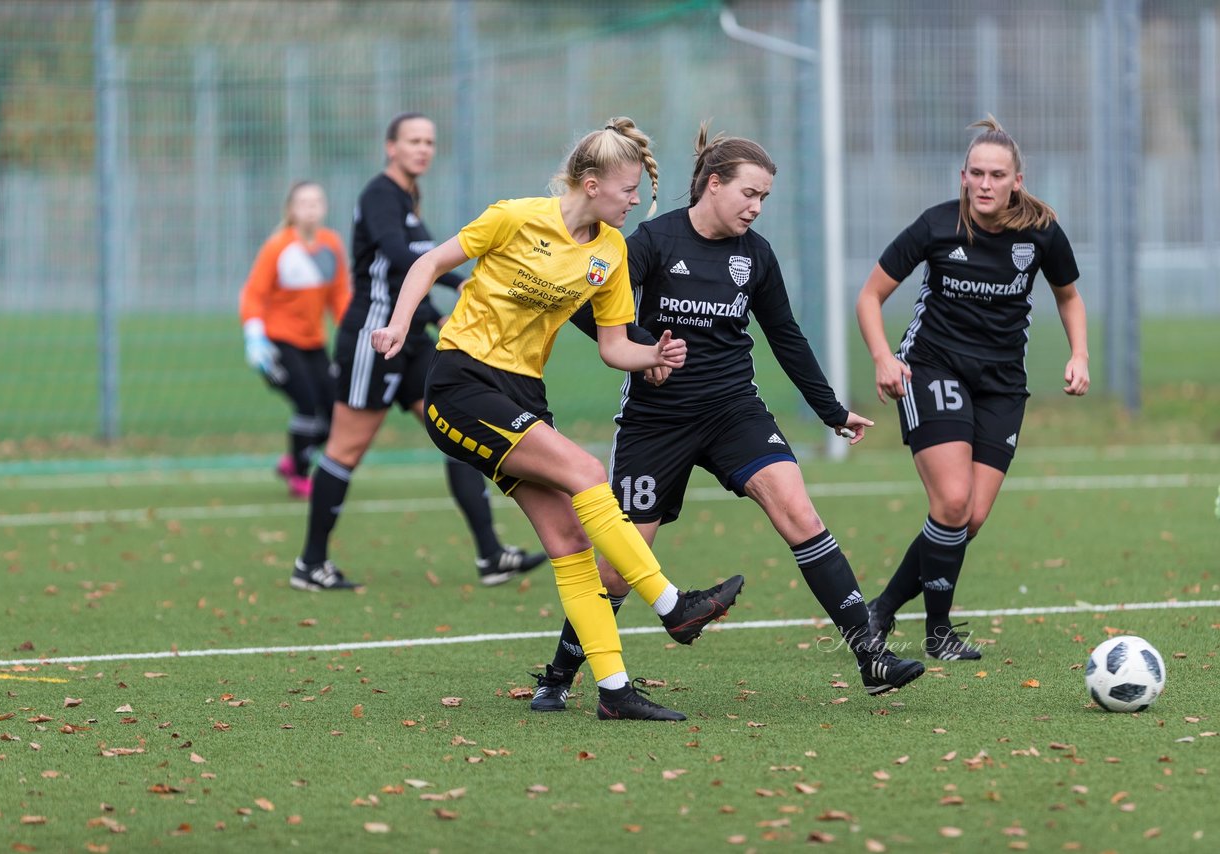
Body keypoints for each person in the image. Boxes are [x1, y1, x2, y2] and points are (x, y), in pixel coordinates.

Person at [529, 124, 926, 713]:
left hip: (733, 409)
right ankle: (560, 675)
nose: (757, 208)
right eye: (750, 194)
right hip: (655, 421)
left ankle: (870, 655)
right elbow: (594, 312)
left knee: (798, 509)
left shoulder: (755, 256)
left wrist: (831, 410)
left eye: (765, 198)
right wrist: (646, 355)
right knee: (617, 567)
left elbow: (785, 336)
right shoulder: (652, 242)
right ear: (713, 185)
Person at [371, 117, 745, 721]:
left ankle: (616, 691)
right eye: (628, 191)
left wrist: (651, 354)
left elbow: (612, 346)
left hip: (523, 394)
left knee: (570, 542)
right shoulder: (515, 217)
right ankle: (672, 603)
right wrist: (396, 323)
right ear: (592, 184)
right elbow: (427, 265)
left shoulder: (611, 251)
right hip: (462, 381)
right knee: (586, 469)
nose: (635, 202)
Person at [855, 115, 1089, 660]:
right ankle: (939, 634)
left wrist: (1079, 354)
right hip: (932, 368)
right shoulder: (936, 226)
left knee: (969, 518)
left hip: (1003, 384)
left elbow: (1069, 296)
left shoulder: (1041, 232)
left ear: (1017, 180)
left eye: (997, 175)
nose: (986, 184)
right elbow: (870, 297)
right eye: (977, 174)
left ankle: (881, 610)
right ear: (963, 176)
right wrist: (882, 358)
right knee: (953, 499)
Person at [291, 112, 546, 592]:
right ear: (391, 147)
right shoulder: (379, 195)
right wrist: (456, 279)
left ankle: (491, 555)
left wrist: (431, 315)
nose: (423, 148)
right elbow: (402, 256)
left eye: (429, 140)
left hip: (410, 338)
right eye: (413, 140)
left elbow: (404, 271)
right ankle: (310, 564)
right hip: (376, 337)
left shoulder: (408, 200)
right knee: (345, 449)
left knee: (457, 432)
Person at [239, 180, 350, 499]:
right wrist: (254, 337)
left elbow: (340, 295)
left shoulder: (331, 244)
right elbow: (253, 294)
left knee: (333, 414)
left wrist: (352, 331)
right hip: (279, 343)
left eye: (316, 202)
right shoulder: (278, 247)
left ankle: (292, 460)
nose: (311, 209)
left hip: (313, 344)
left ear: (324, 207)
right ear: (291, 210)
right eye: (303, 203)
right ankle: (300, 477)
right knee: (306, 403)